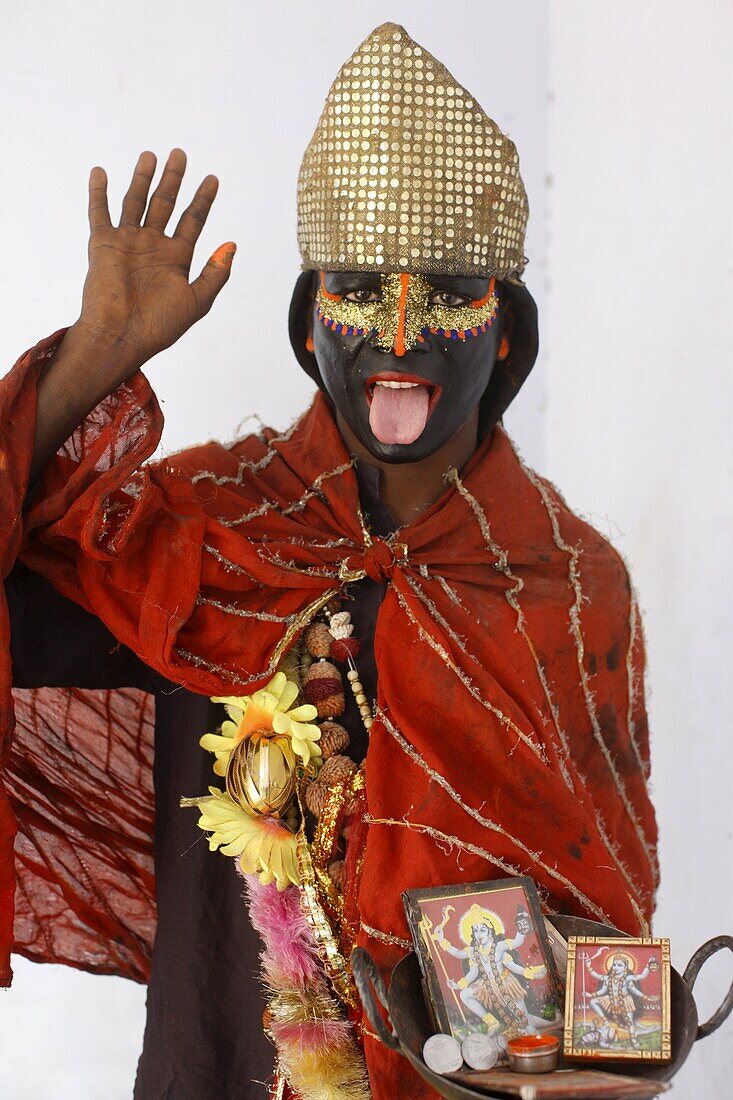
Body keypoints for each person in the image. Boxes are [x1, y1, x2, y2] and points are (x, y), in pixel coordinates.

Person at [0, 22, 658, 1100]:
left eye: (448, 295)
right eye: (360, 291)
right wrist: (87, 362)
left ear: (511, 341)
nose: (399, 337)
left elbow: (605, 893)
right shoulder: (202, 532)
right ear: (311, 329)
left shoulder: (572, 581)